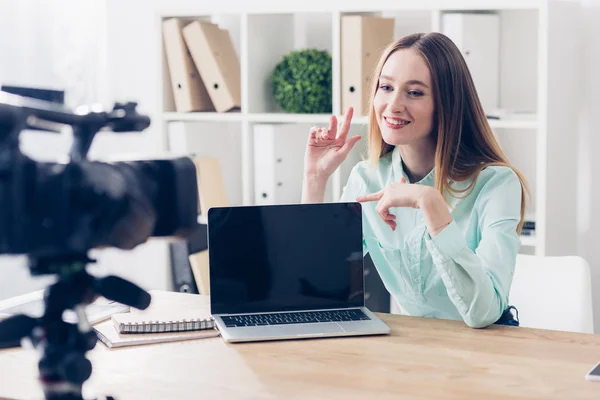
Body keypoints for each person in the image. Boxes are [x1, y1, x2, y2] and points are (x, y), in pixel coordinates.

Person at [301, 32, 528, 328]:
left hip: (487, 348)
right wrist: (314, 179)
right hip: (416, 346)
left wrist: (429, 203)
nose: (393, 105)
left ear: (447, 103)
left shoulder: (497, 184)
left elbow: (483, 313)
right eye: (386, 87)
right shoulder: (368, 179)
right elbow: (318, 283)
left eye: (415, 92)